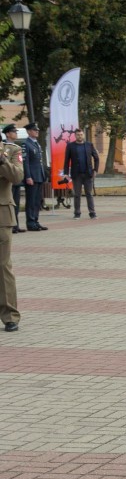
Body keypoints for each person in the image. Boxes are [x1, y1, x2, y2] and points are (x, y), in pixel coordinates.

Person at [0, 127, 24, 331]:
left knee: (2, 266)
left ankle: (10, 315)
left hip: (1, 217)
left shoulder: (12, 150)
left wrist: (3, 161)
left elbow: (17, 177)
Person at [63, 129, 100, 219]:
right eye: (78, 135)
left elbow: (96, 158)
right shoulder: (70, 146)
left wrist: (95, 170)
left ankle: (92, 213)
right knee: (77, 194)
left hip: (88, 174)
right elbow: (67, 161)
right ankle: (77, 213)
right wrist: (66, 173)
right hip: (76, 174)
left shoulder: (89, 145)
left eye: (81, 134)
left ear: (83, 135)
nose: (80, 136)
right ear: (75, 136)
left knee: (89, 194)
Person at [21, 123, 47, 231]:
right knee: (31, 201)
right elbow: (25, 162)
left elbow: (39, 162)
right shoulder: (26, 144)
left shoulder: (37, 144)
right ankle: (30, 223)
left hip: (39, 176)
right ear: (28, 132)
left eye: (37, 130)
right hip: (32, 177)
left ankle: (36, 221)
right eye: (34, 130)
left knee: (37, 201)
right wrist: (28, 176)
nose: (37, 131)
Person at [3, 125, 24, 233]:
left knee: (14, 203)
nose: (16, 133)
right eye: (13, 132)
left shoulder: (15, 148)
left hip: (12, 178)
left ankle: (15, 225)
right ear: (7, 134)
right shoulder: (6, 147)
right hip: (6, 180)